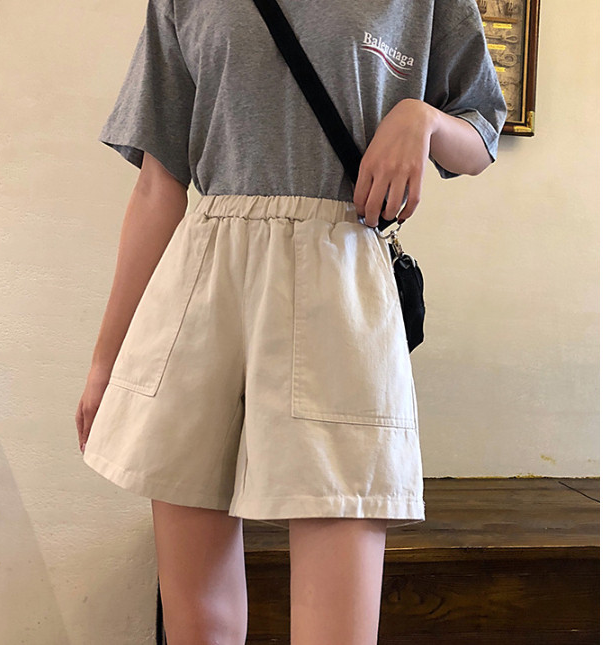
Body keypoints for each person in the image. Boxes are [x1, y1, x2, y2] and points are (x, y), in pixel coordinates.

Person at [76, 0, 507, 643]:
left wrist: (421, 119)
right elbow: (158, 188)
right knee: (199, 627)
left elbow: (481, 134)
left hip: (340, 285)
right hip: (202, 285)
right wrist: (104, 362)